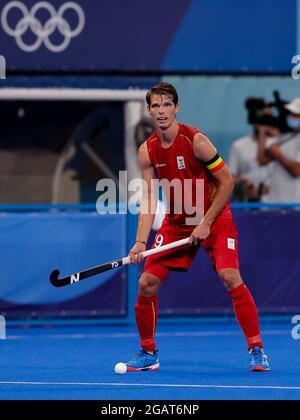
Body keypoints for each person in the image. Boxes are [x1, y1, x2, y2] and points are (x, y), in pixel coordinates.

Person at [125, 83, 270, 372]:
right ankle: (148, 353)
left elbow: (227, 182)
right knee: (146, 283)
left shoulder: (196, 141)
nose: (161, 110)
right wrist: (141, 241)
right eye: (156, 106)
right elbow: (150, 197)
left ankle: (257, 349)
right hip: (178, 222)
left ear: (176, 108)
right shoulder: (147, 151)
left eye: (167, 104)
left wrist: (205, 223)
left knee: (230, 276)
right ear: (150, 111)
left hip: (215, 219)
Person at [229, 98, 277, 202]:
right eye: (262, 118)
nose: (265, 123)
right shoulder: (239, 145)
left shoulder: (279, 144)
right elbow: (231, 176)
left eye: (268, 118)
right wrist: (243, 185)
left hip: (276, 204)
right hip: (249, 205)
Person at [263, 97, 300, 202]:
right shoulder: (284, 137)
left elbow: (296, 170)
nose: (291, 117)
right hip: (275, 202)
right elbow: (263, 160)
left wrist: (276, 152)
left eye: (296, 115)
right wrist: (263, 132)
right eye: (291, 114)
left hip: (294, 204)